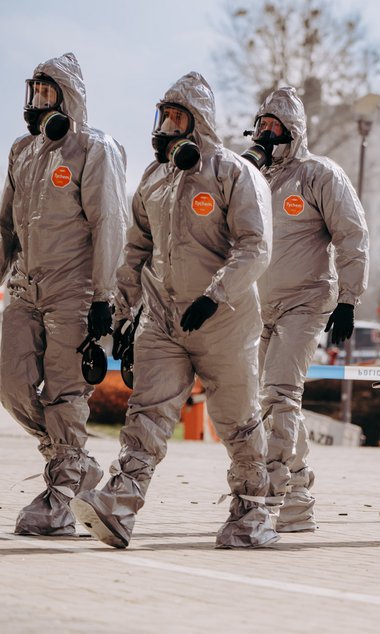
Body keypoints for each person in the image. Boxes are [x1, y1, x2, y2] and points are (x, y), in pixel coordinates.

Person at [70, 72, 278, 549]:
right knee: (146, 411)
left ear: (199, 124)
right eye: (163, 115)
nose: (166, 125)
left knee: (237, 420)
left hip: (224, 322)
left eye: (177, 116)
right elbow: (136, 250)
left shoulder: (233, 173)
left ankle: (253, 511)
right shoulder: (155, 178)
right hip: (165, 321)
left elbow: (255, 246)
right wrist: (123, 313)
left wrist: (215, 294)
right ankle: (120, 502)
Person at [0, 52, 128, 536]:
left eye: (48, 94)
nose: (37, 103)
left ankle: (62, 492)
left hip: (75, 292)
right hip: (25, 288)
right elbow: (3, 225)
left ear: (69, 98)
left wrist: (104, 296)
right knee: (9, 382)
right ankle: (72, 459)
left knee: (64, 392)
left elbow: (109, 223)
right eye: (33, 93)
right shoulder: (21, 151)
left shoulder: (96, 149)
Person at [243, 86, 369, 532]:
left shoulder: (320, 175)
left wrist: (349, 299)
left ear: (293, 132)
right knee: (259, 401)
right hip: (257, 306)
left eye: (275, 127)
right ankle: (295, 493)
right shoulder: (251, 178)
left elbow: (352, 235)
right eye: (261, 125)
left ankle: (281, 495)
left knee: (280, 393)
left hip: (306, 300)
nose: (266, 134)